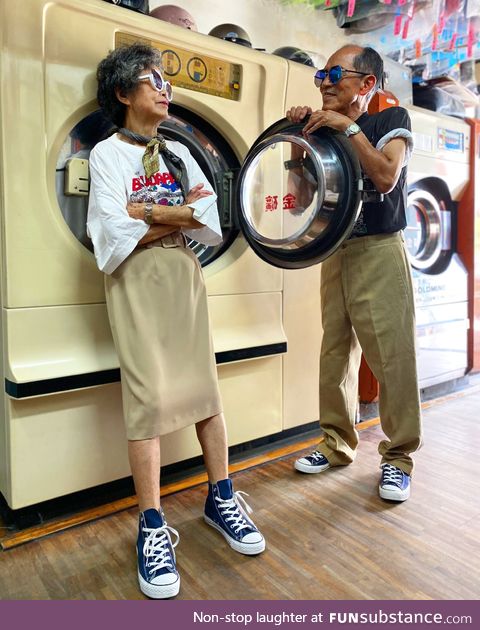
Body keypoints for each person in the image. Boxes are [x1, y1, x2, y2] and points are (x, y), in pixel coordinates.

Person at [87, 43, 265, 600]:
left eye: (167, 81)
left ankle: (221, 496)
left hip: (185, 279)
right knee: (147, 400)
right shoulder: (105, 155)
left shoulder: (180, 153)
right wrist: (178, 214)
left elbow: (210, 216)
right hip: (137, 284)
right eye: (151, 80)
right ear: (122, 93)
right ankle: (152, 525)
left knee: (205, 390)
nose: (165, 89)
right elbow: (110, 234)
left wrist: (151, 214)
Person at [287, 45, 422, 502]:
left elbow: (386, 176)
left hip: (381, 250)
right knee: (334, 355)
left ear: (366, 84)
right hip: (337, 250)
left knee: (392, 358)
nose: (325, 81)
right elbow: (302, 198)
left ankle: (399, 458)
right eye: (321, 74)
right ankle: (336, 444)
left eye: (335, 73)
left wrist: (348, 127)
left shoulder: (391, 121)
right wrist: (297, 142)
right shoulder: (321, 131)